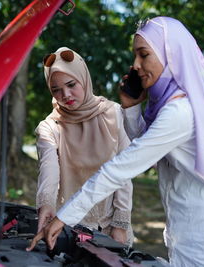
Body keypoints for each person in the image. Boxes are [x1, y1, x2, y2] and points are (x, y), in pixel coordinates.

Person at [27, 17, 204, 267]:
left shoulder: (179, 112)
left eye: (144, 54)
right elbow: (148, 151)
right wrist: (133, 108)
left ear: (171, 54)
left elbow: (122, 167)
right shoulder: (170, 106)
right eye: (135, 56)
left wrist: (64, 218)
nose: (136, 65)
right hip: (190, 234)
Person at [34, 47, 134, 245]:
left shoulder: (114, 114)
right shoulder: (49, 127)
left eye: (71, 84)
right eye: (56, 90)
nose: (66, 94)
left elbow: (124, 174)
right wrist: (46, 204)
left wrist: (120, 226)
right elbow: (49, 170)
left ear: (84, 78)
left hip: (112, 226)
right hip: (68, 227)